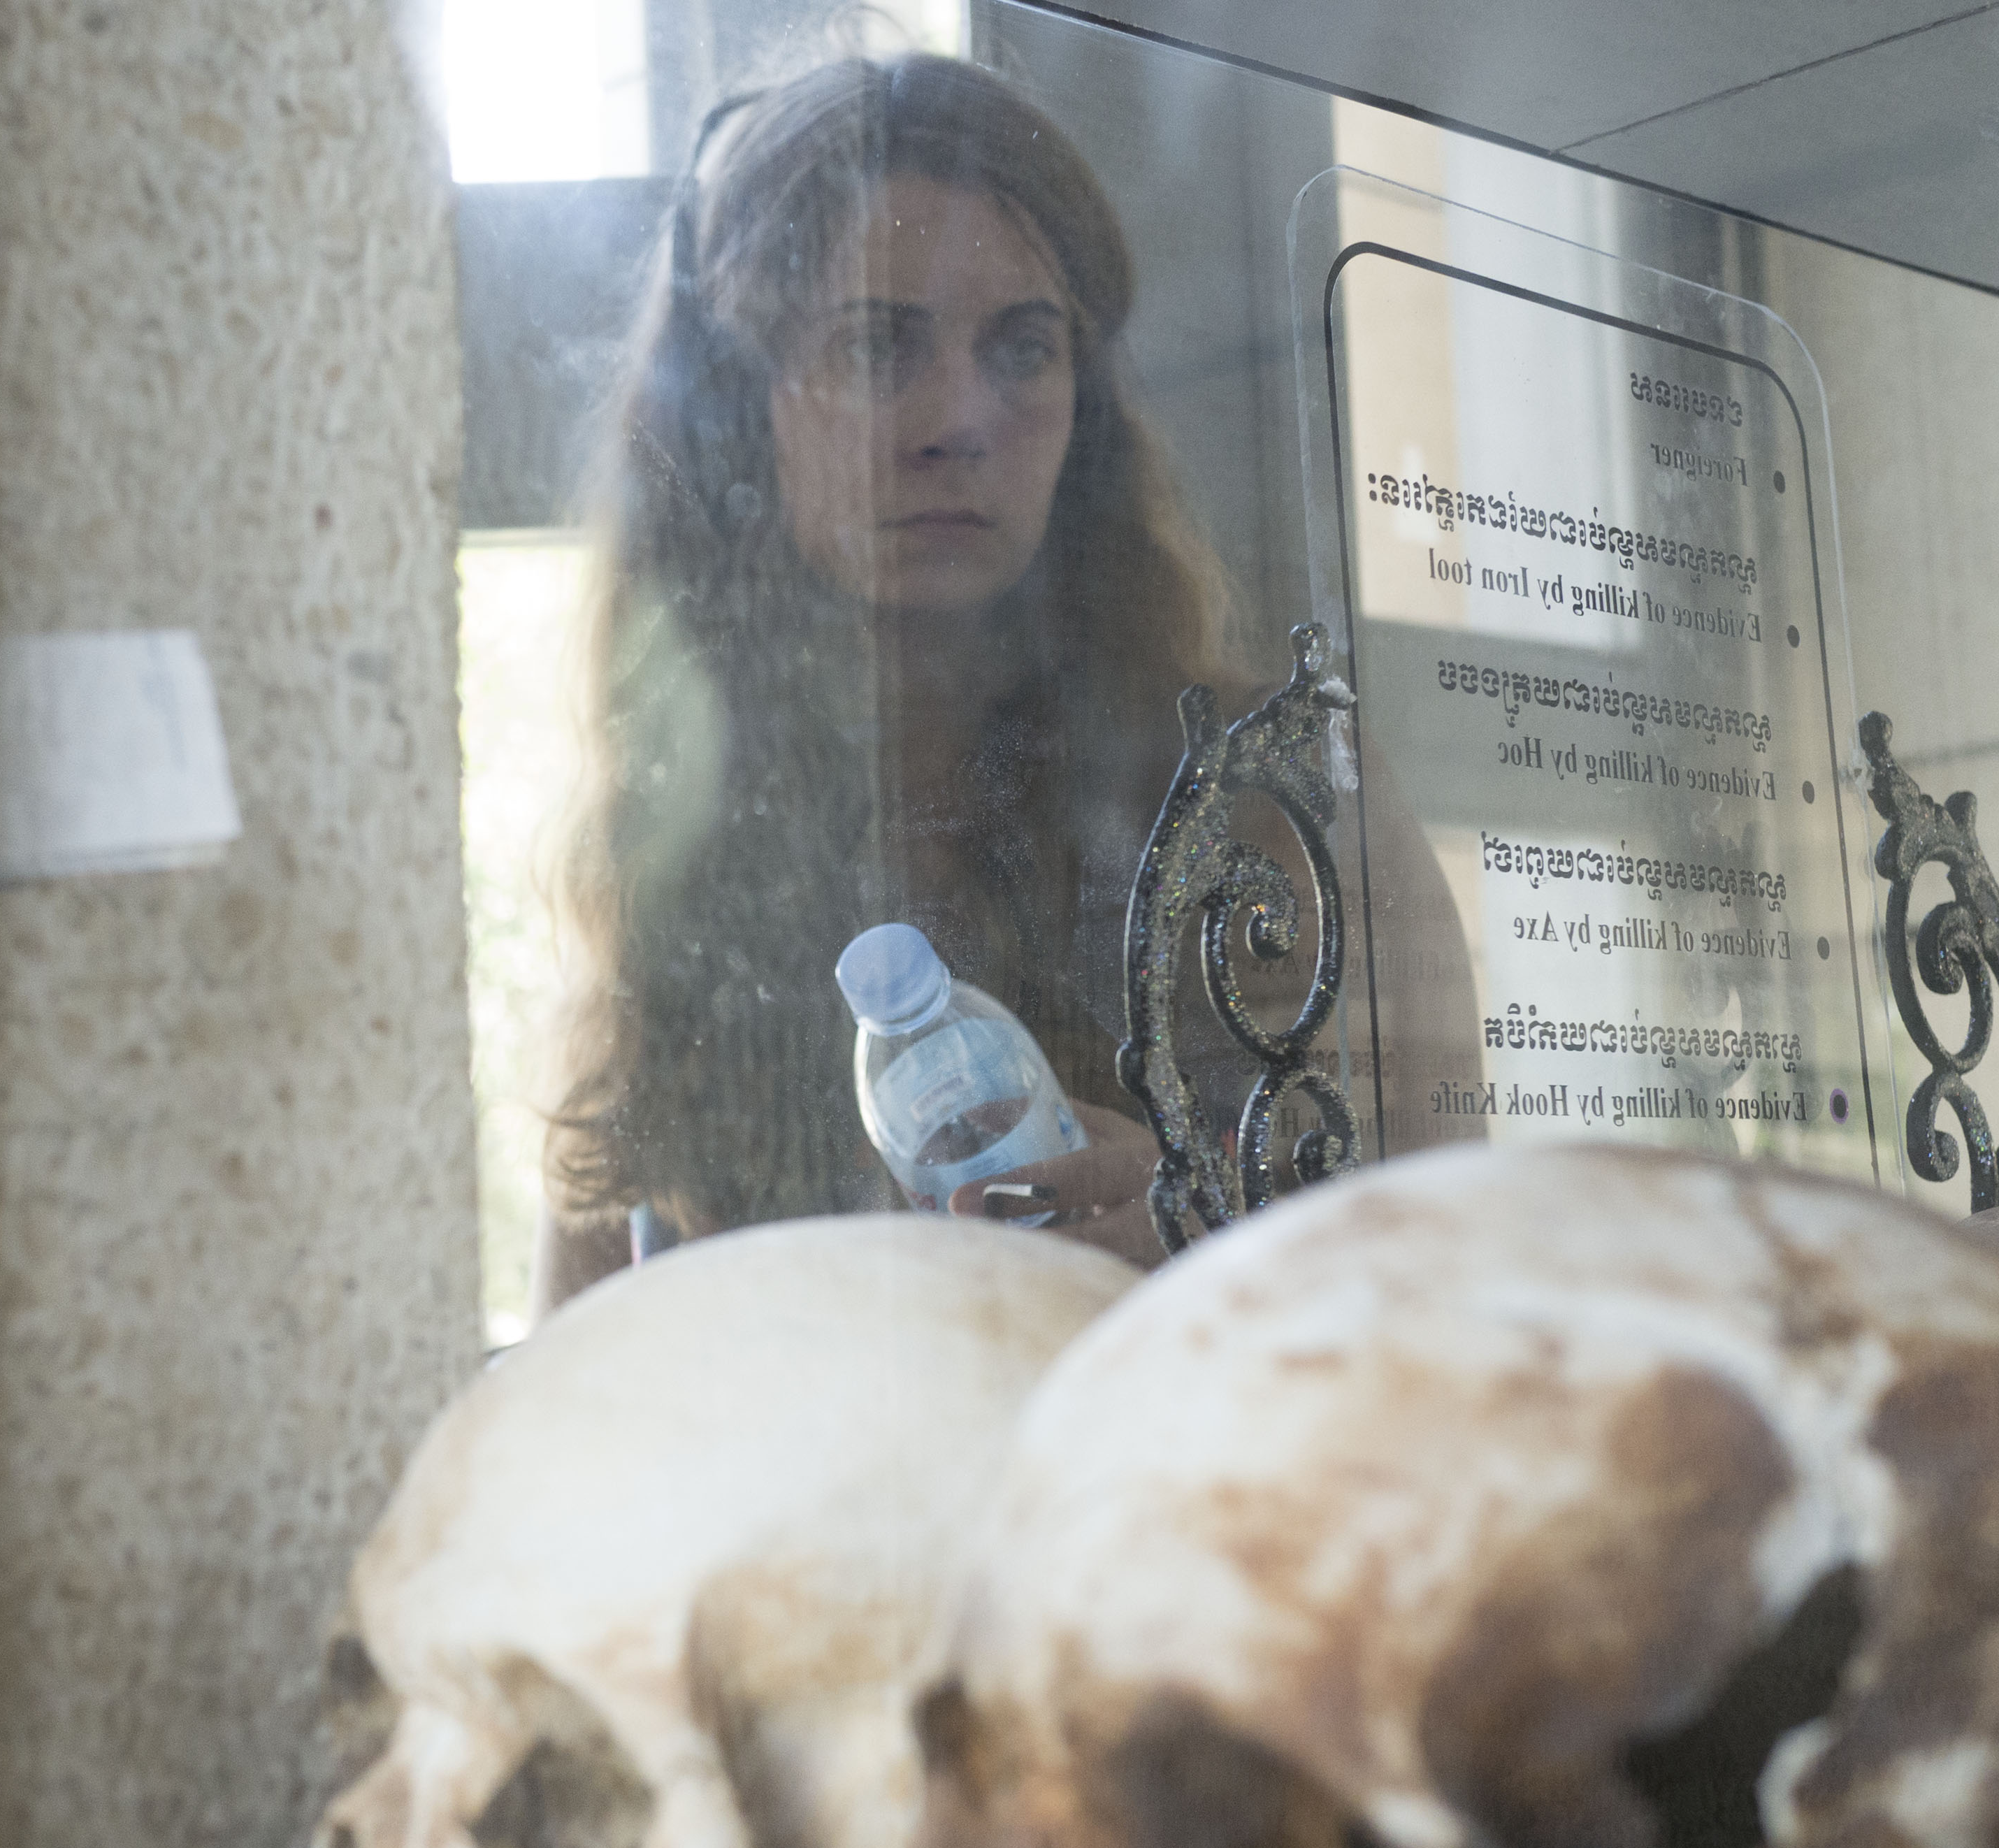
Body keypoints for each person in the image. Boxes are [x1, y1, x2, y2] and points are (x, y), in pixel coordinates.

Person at [533, 52, 1477, 1315]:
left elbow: (1458, 1280)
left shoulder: (1271, 790)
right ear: (740, 408)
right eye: (878, 346)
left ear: (1086, 407)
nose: (961, 419)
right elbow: (583, 1368)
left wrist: (1216, 1247)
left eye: (1025, 348)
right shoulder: (688, 833)